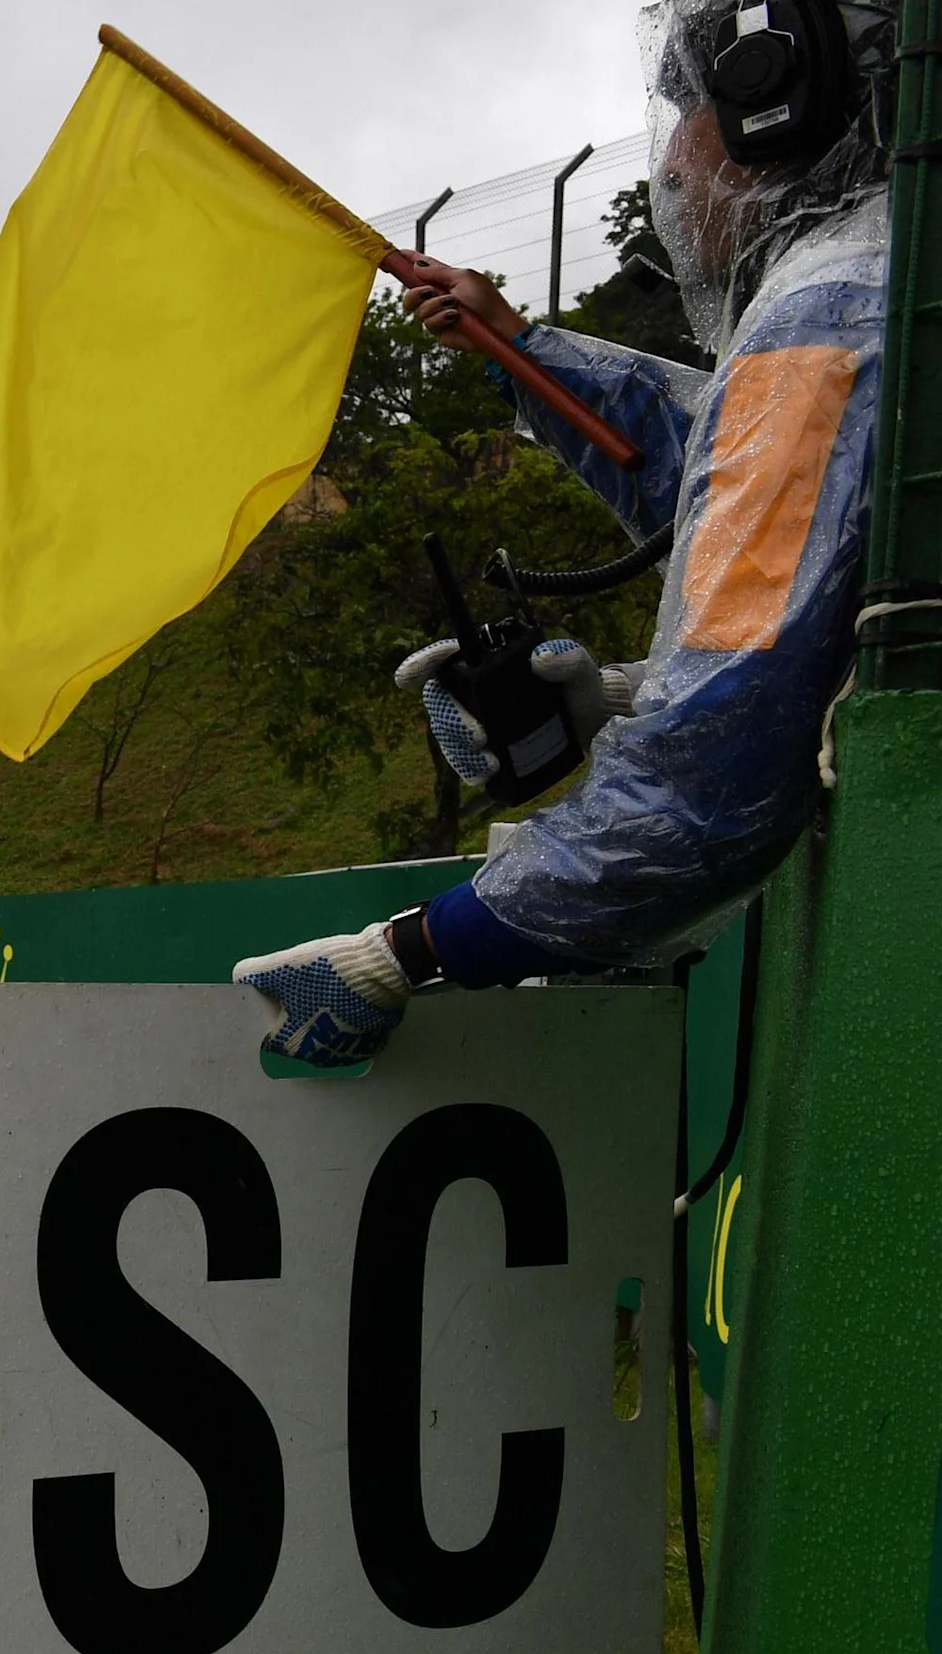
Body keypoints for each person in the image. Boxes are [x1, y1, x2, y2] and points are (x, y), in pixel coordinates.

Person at [241, 0, 898, 1065]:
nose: (675, 172)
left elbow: (706, 782)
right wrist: (611, 695)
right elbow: (738, 494)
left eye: (686, 113)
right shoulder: (882, 278)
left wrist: (400, 953)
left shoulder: (823, 317)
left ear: (771, 101)